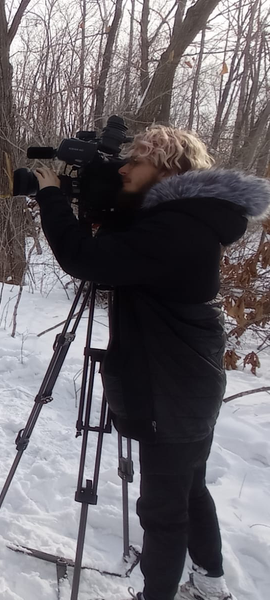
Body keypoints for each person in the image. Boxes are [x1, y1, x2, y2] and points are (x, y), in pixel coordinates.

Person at [33, 125, 270, 600]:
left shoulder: (176, 229)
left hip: (173, 387)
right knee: (188, 488)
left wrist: (51, 197)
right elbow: (121, 248)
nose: (124, 167)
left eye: (135, 162)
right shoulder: (183, 218)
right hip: (184, 380)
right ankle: (208, 583)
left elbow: (86, 259)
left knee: (163, 507)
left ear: (167, 172)